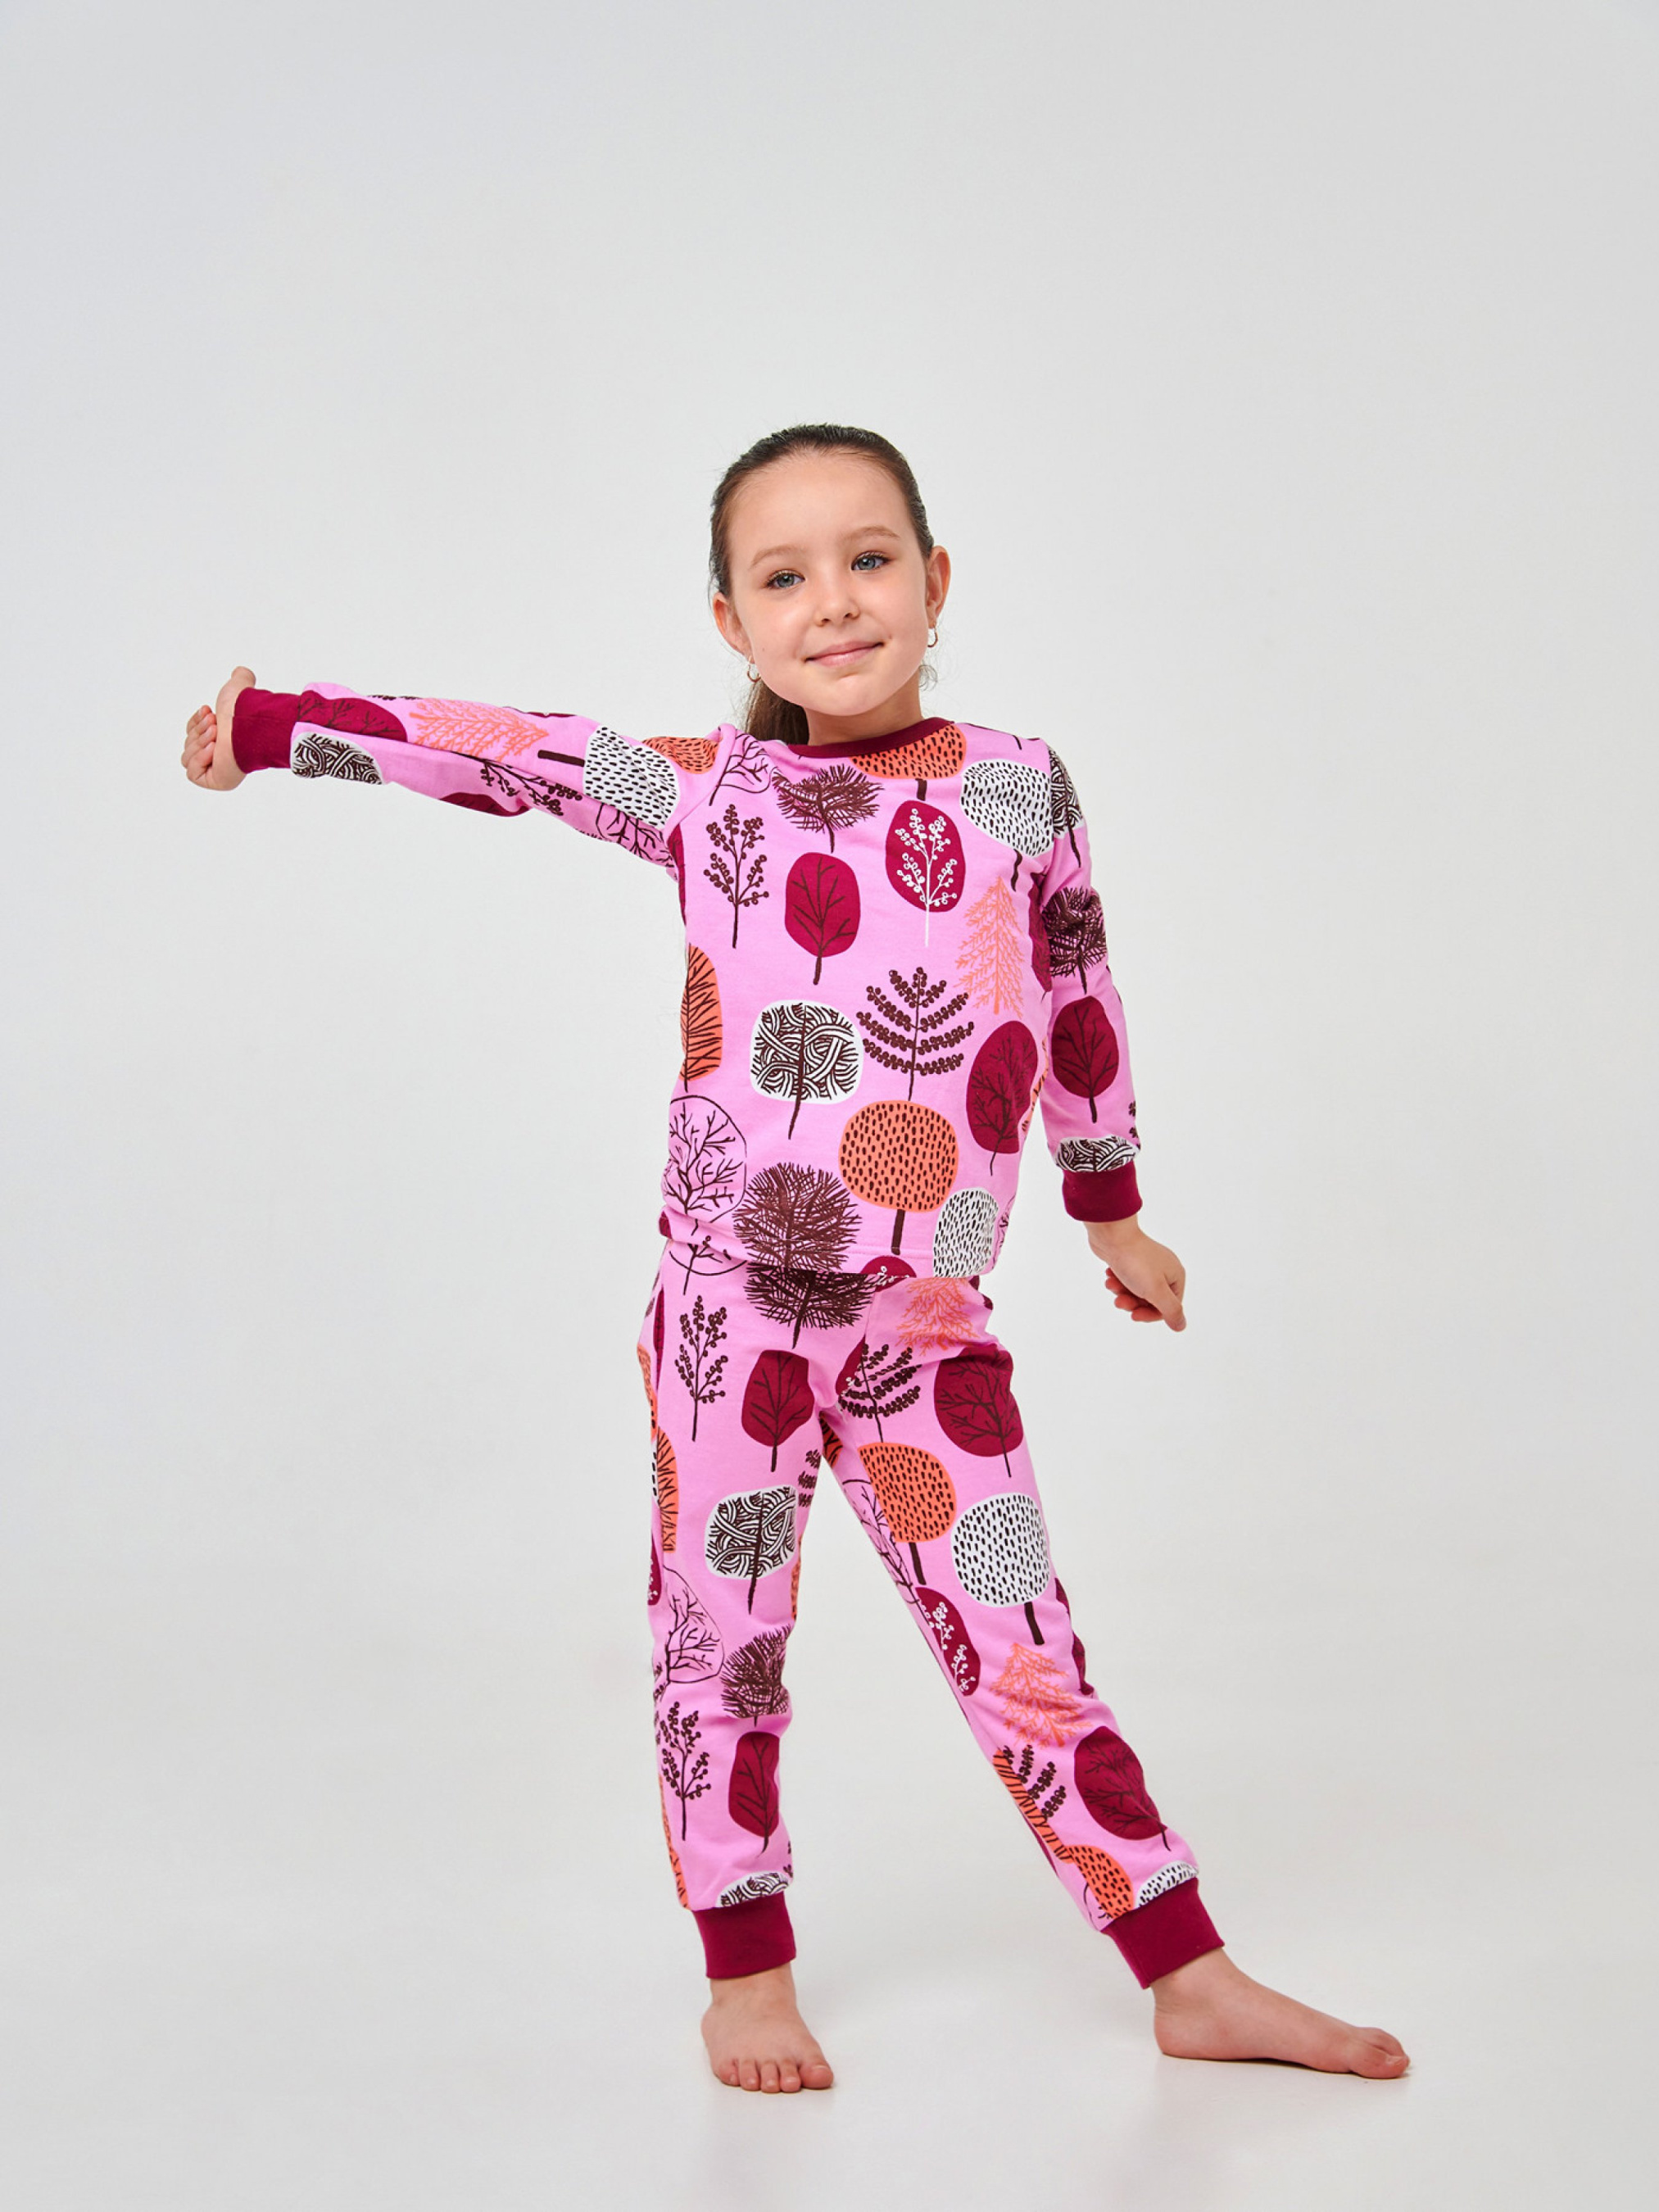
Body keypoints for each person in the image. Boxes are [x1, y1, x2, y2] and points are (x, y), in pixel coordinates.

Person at [182, 423, 1408, 2093]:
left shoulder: (1016, 784)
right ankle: (744, 1977)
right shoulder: (711, 794)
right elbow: (510, 751)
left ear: (934, 581)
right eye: (783, 576)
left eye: (867, 559)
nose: (831, 601)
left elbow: (1073, 983)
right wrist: (273, 729)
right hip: (730, 1326)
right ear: (731, 623)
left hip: (924, 1329)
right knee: (720, 1641)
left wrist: (1108, 1204)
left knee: (1025, 1654)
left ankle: (1184, 1975)